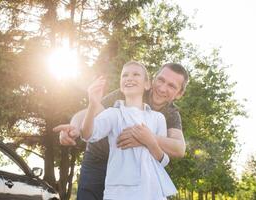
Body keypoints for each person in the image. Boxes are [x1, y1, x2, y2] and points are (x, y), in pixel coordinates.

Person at [53, 62, 189, 200]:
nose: (162, 88)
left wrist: (146, 139)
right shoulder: (130, 91)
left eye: (171, 86)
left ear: (179, 94)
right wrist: (74, 127)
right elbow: (90, 111)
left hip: (130, 169)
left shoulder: (170, 114)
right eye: (161, 80)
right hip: (98, 159)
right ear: (153, 80)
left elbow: (179, 148)